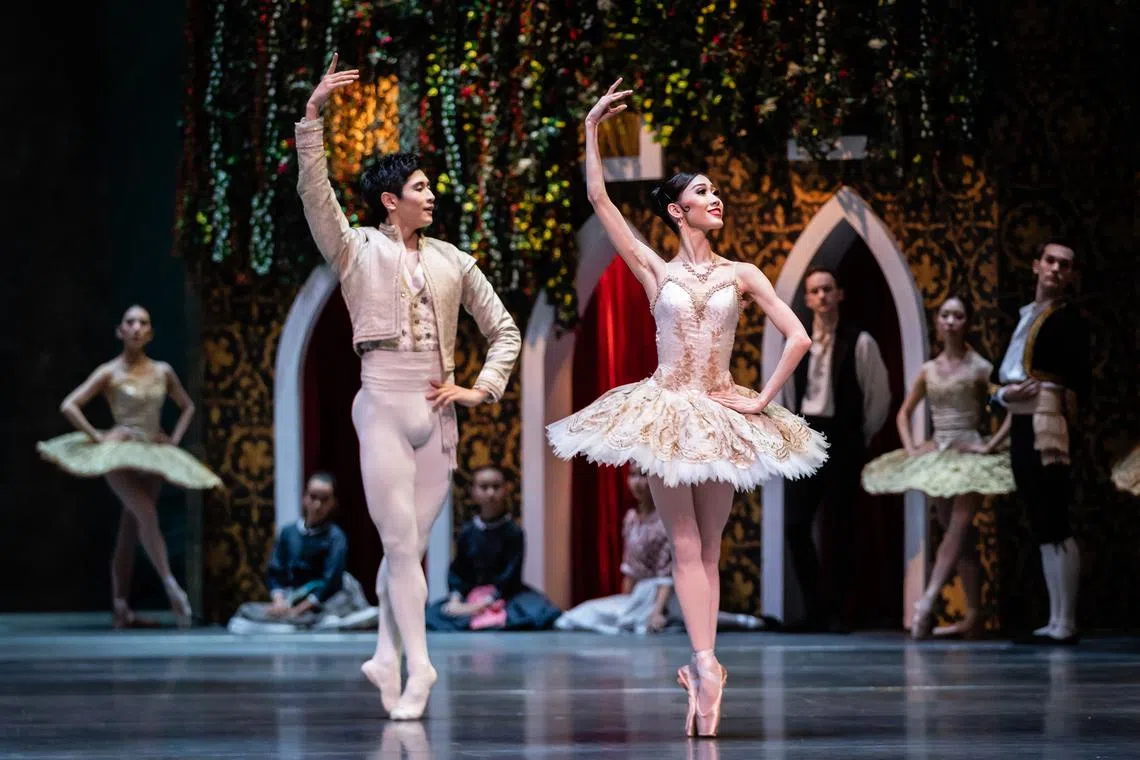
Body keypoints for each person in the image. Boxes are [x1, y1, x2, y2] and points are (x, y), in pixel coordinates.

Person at [547, 79, 827, 738]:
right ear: (676, 210)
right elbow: (597, 197)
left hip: (723, 409)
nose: (714, 197)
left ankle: (705, 672)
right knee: (684, 546)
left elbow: (800, 336)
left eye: (713, 190)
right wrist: (591, 127)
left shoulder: (743, 273)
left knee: (708, 547)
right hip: (671, 409)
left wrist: (760, 398)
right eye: (700, 191)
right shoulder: (655, 272)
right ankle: (704, 668)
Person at [296, 54, 521, 719]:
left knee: (410, 551)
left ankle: (382, 655)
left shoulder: (455, 260)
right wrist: (312, 119)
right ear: (392, 199)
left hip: (437, 409)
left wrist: (480, 389)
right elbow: (317, 195)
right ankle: (420, 667)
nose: (432, 194)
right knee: (398, 544)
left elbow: (503, 331)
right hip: (383, 405)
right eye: (421, 187)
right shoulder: (356, 247)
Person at [37, 305, 221, 628]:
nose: (136, 327)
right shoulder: (109, 372)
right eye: (130, 322)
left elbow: (188, 406)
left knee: (131, 526)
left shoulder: (162, 371)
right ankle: (172, 586)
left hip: (151, 452)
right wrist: (98, 435)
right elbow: (70, 405)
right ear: (120, 331)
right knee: (146, 513)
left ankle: (120, 605)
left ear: (149, 333)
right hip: (119, 453)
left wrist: (173, 440)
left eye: (143, 323)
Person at [862, 296, 1015, 639]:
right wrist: (914, 446)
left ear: (967, 322)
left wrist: (988, 444)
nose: (950, 321)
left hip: (969, 454)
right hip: (940, 452)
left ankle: (926, 602)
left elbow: (1009, 409)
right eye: (945, 315)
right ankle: (973, 616)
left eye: (958, 315)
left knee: (958, 526)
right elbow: (904, 413)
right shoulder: (929, 369)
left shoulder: (979, 367)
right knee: (959, 535)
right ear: (938, 321)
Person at [779, 266, 891, 632]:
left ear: (839, 294)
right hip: (806, 436)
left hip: (843, 439)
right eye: (815, 291)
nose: (822, 297)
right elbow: (789, 396)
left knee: (841, 525)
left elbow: (878, 398)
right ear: (808, 299)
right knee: (796, 525)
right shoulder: (798, 341)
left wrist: (859, 436)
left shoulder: (860, 342)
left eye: (828, 289)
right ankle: (813, 609)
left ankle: (838, 612)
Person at [993, 241, 1088, 644]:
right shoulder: (1028, 316)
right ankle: (1055, 619)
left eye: (1064, 265)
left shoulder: (1068, 320)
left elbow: (1074, 376)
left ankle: (1065, 621)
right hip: (1021, 419)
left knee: (1055, 518)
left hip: (1046, 422)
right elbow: (1005, 381)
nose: (1055, 269)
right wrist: (1002, 396)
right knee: (1041, 519)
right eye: (1050, 261)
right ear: (1036, 266)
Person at [228, 472, 377, 634]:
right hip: (293, 598)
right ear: (305, 498)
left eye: (324, 499)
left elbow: (331, 580)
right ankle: (298, 623)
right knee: (246, 611)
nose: (317, 505)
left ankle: (306, 621)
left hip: (325, 599)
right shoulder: (288, 533)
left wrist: (299, 610)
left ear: (333, 503)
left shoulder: (336, 537)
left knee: (337, 609)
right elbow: (276, 573)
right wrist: (279, 603)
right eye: (313, 497)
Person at [425, 466, 560, 631]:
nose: (490, 493)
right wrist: (456, 600)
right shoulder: (467, 532)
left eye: (496, 487)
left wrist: (484, 602)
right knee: (432, 615)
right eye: (484, 487)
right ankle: (481, 618)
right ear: (473, 491)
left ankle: (483, 617)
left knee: (539, 612)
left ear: (505, 490)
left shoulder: (513, 532)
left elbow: (510, 575)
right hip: (472, 595)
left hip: (506, 595)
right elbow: (459, 571)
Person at [555, 465, 680, 634]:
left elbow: (665, 577)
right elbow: (630, 571)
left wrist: (657, 612)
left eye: (644, 476)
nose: (637, 483)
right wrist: (624, 600)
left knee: (633, 622)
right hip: (638, 595)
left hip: (661, 596)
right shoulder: (632, 520)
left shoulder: (665, 522)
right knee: (581, 615)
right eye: (633, 475)